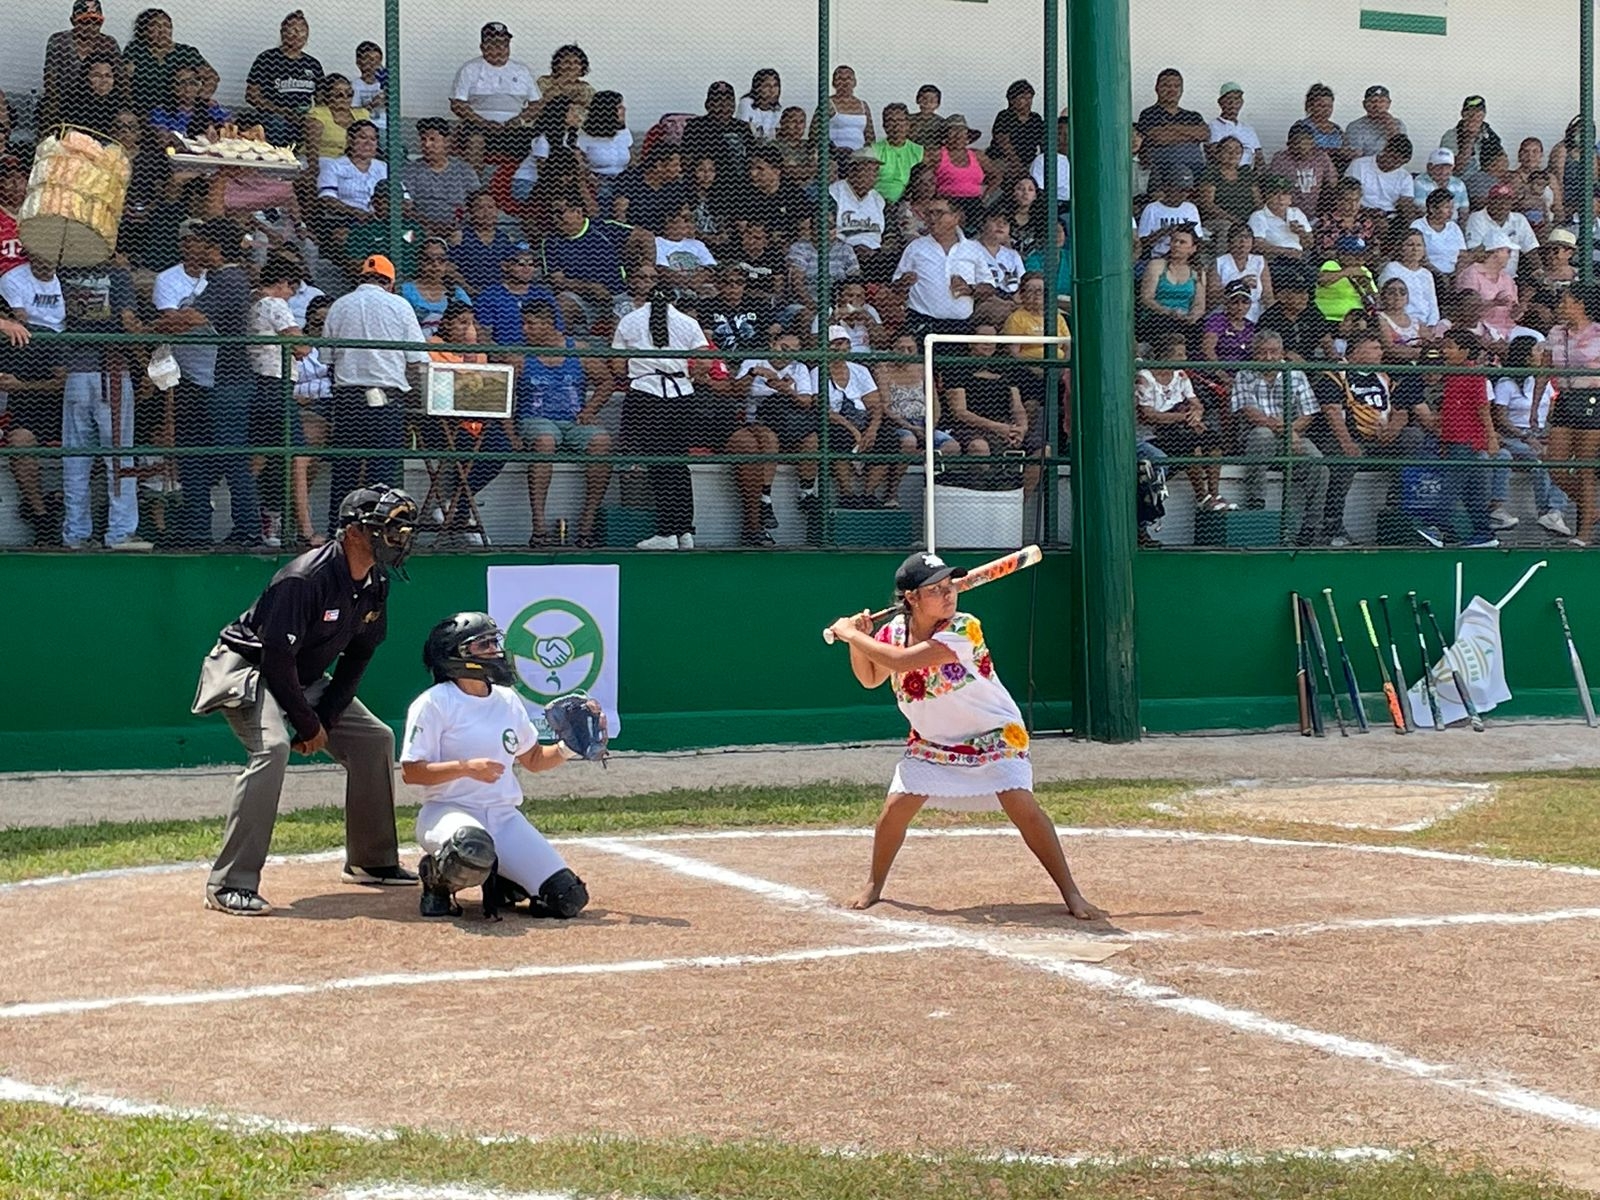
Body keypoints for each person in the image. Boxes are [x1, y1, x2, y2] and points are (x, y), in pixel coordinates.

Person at [826, 551, 1101, 919]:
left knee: (1021, 805)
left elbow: (901, 662)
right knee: (895, 810)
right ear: (911, 597)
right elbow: (870, 677)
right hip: (933, 740)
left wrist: (849, 634)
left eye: (949, 586)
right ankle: (874, 884)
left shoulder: (963, 628)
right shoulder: (892, 634)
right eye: (935, 589)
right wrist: (857, 640)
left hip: (993, 732)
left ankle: (1072, 894)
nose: (948, 594)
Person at [191, 485, 421, 916]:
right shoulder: (305, 578)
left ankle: (372, 860)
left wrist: (327, 719)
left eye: (400, 530)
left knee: (375, 739)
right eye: (387, 529)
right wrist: (308, 724)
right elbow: (276, 660)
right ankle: (229, 884)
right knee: (273, 748)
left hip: (302, 674)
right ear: (353, 531)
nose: (397, 539)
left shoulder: (375, 583)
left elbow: (358, 657)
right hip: (248, 669)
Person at [403, 612, 594, 920]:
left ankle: (506, 878)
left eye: (495, 642)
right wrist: (466, 767)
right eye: (484, 644)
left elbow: (533, 760)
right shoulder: (435, 702)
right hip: (448, 812)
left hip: (503, 818)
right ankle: (436, 877)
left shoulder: (506, 700)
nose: (495, 650)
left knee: (567, 897)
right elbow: (412, 772)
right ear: (457, 654)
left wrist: (569, 747)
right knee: (471, 846)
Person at [320, 253, 431, 535]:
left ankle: (341, 531)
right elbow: (418, 359)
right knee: (382, 470)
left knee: (344, 470)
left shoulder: (340, 305)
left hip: (348, 398)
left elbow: (326, 358)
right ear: (390, 282)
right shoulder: (399, 306)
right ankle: (378, 533)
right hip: (387, 397)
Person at [612, 282, 710, 550]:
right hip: (682, 395)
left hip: (646, 394)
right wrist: (690, 374)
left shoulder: (629, 320)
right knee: (678, 462)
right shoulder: (687, 322)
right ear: (673, 298)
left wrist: (641, 365)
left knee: (659, 463)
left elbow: (618, 365)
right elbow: (706, 362)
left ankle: (667, 532)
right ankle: (684, 531)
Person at [512, 298, 612, 547]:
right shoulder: (520, 356)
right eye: (523, 323)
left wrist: (590, 410)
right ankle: (539, 526)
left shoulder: (578, 349)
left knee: (602, 441)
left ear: (548, 324)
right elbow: (502, 394)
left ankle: (587, 525)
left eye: (531, 324)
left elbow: (607, 381)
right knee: (545, 441)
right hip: (535, 419)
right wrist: (511, 434)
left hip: (574, 419)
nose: (525, 329)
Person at [1230, 328, 1327, 542]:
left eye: (1273, 352)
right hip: (1259, 436)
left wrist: (1291, 432)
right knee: (1262, 434)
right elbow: (1251, 413)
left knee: (1319, 463)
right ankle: (1257, 504)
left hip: (1293, 436)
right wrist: (1288, 431)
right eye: (1262, 352)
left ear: (1282, 352)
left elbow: (1309, 413)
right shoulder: (1244, 374)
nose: (1268, 357)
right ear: (1254, 353)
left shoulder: (1296, 374)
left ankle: (1311, 527)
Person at [1492, 334, 1572, 538]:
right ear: (1526, 356)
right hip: (1514, 437)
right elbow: (1501, 420)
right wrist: (1526, 436)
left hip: (1542, 434)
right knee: (1539, 461)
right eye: (1537, 351)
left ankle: (1555, 511)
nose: (1542, 355)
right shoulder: (1506, 383)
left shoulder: (1544, 384)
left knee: (1560, 460)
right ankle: (1546, 511)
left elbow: (1552, 413)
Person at [1427, 328, 1499, 548]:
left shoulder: (1474, 374)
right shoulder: (1451, 375)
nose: (1445, 351)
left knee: (1450, 487)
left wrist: (1491, 437)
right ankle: (1484, 534)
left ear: (1465, 351)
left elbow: (1482, 408)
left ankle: (1437, 530)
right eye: (1444, 346)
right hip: (1454, 439)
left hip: (1466, 441)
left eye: (1450, 347)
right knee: (1473, 493)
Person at [1545, 282, 1600, 545]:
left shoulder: (1598, 333)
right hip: (1565, 399)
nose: (1561, 305)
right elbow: (1545, 369)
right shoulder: (1556, 333)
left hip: (1592, 399)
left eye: (1566, 300)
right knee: (1554, 465)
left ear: (1580, 304)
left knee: (1584, 468)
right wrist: (1536, 408)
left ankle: (1585, 534)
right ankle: (1593, 512)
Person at [449, 20, 539, 161]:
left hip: (513, 128)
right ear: (483, 47)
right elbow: (457, 104)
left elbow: (537, 104)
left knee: (538, 145)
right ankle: (475, 183)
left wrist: (520, 120)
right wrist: (484, 123)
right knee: (475, 142)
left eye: (505, 44)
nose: (501, 49)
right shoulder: (470, 69)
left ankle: (522, 182)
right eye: (495, 44)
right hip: (478, 126)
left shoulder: (522, 71)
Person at [41, 0, 124, 133]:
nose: (90, 26)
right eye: (85, 22)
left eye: (96, 22)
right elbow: (50, 79)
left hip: (102, 103)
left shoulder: (109, 43)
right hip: (63, 101)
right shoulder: (59, 41)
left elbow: (121, 79)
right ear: (73, 21)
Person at [244, 10, 323, 145]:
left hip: (304, 116)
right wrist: (280, 111)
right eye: (291, 29)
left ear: (307, 35)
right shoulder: (267, 59)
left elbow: (322, 99)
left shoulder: (313, 64)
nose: (296, 34)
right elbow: (251, 95)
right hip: (274, 116)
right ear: (282, 33)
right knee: (277, 123)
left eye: (301, 30)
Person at [406, 118, 480, 240]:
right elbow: (406, 206)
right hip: (422, 228)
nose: (427, 145)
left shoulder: (464, 169)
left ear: (446, 141)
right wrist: (427, 224)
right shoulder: (410, 169)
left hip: (458, 229)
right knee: (407, 236)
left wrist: (456, 225)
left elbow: (476, 202)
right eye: (423, 139)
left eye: (432, 139)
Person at [1135, 68, 1208, 178]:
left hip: (1198, 169)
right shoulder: (1149, 113)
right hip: (1164, 171)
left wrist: (1172, 127)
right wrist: (1192, 136)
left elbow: (1204, 134)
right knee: (1181, 175)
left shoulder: (1193, 116)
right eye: (1166, 86)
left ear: (1182, 90)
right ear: (1157, 88)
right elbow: (1160, 137)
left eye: (1176, 86)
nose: (1172, 90)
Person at [1345, 84, 1407, 159]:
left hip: (1392, 169)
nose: (1377, 105)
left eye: (1382, 101)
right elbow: (1356, 157)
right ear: (1364, 105)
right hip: (1364, 168)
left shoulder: (1399, 125)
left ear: (1389, 104)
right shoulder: (1355, 126)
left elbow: (1402, 155)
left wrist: (1391, 129)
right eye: (1372, 101)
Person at [1209, 82, 1261, 167]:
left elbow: (1259, 158)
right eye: (1229, 99)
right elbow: (1214, 157)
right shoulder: (1213, 126)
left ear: (1241, 102)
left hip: (1248, 175)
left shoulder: (1249, 129)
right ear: (1220, 103)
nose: (1232, 103)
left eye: (1237, 99)